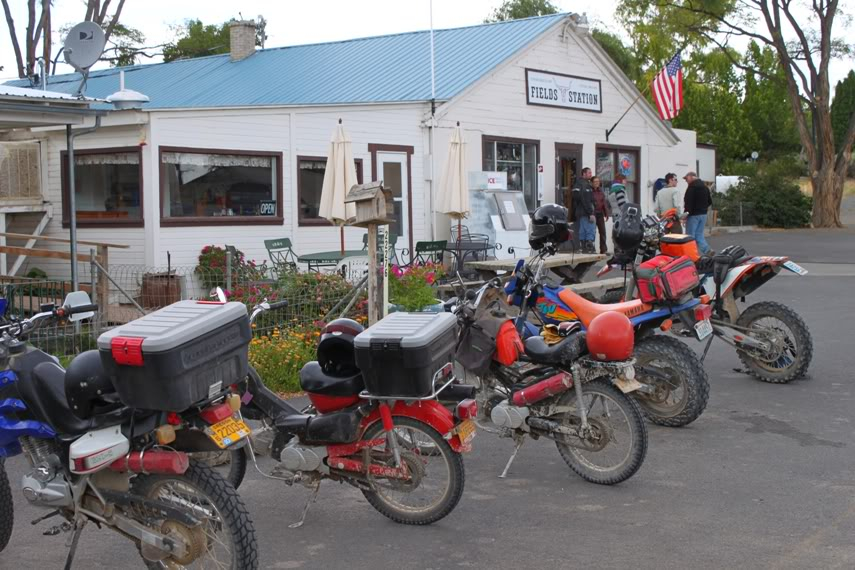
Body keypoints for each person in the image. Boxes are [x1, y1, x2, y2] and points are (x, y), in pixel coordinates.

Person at [683, 171, 713, 254]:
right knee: (699, 234)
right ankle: (707, 250)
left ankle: (691, 254)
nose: (686, 181)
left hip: (693, 216)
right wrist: (703, 208)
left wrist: (685, 215)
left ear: (692, 177)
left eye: (686, 178)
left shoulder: (691, 188)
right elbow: (709, 201)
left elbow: (688, 203)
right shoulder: (705, 188)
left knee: (690, 236)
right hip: (703, 214)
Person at [573, 167, 596, 253]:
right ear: (584, 174)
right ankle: (589, 248)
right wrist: (590, 212)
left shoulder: (577, 184)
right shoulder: (585, 185)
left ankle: (583, 248)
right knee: (590, 229)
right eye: (589, 173)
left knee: (582, 230)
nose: (591, 174)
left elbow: (576, 199)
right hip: (586, 212)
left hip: (579, 212)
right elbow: (586, 200)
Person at [590, 176, 611, 254]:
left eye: (598, 182)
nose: (596, 183)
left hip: (600, 213)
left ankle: (604, 249)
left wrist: (606, 213)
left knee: (602, 232)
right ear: (592, 183)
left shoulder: (601, 192)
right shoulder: (590, 191)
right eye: (595, 182)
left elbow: (604, 203)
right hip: (593, 213)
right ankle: (592, 249)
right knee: (592, 232)